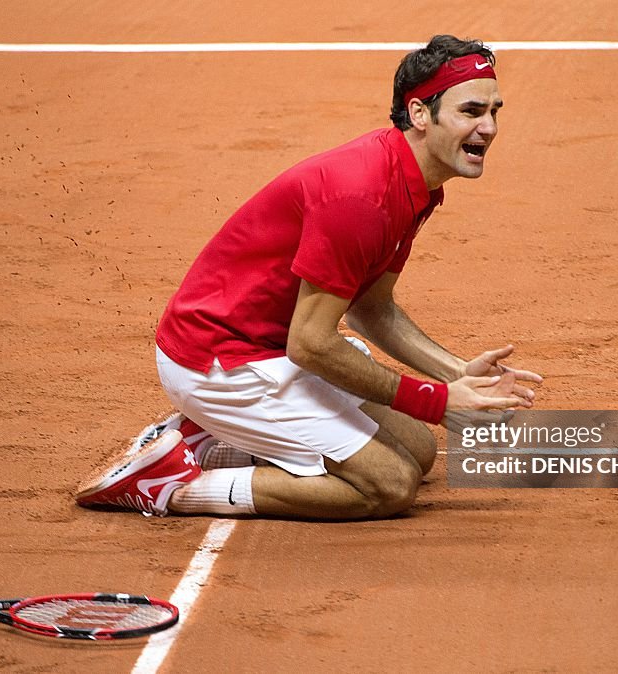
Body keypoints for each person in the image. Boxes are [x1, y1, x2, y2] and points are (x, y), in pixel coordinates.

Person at [76, 35, 543, 520]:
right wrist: (433, 400)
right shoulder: (362, 198)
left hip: (270, 346)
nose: (488, 128)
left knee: (419, 452)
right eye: (471, 111)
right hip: (220, 359)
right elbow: (312, 343)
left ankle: (209, 440)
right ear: (421, 113)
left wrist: (454, 374)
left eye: (494, 111)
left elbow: (371, 309)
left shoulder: (413, 184)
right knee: (389, 485)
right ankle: (168, 487)